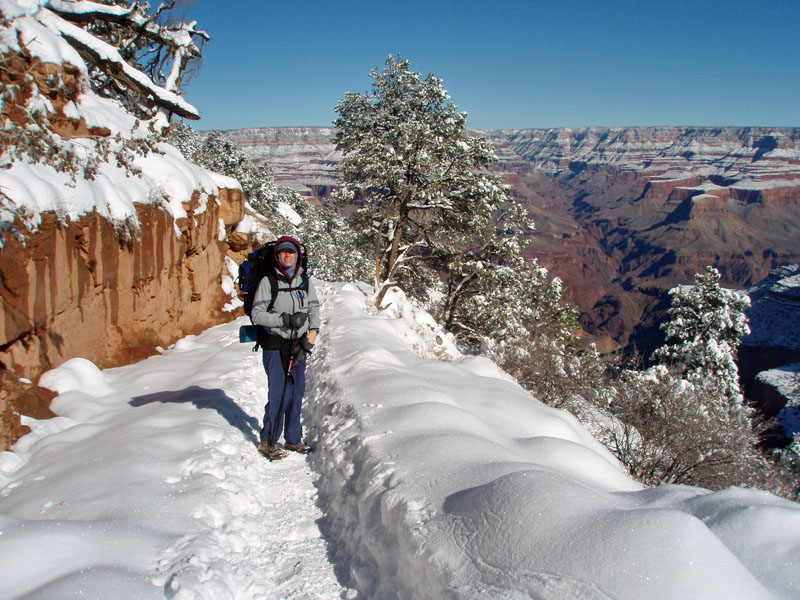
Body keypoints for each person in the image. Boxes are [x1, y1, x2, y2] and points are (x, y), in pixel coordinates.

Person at [250, 236, 320, 460]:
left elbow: (314, 308)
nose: (288, 256)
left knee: (297, 392)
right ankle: (269, 441)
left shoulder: (304, 281)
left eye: (291, 252)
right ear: (277, 256)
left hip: (299, 344)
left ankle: (293, 439)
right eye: (283, 252)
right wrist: (284, 320)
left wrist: (313, 333)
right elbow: (257, 315)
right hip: (275, 344)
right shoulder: (268, 282)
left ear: (298, 255)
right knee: (279, 393)